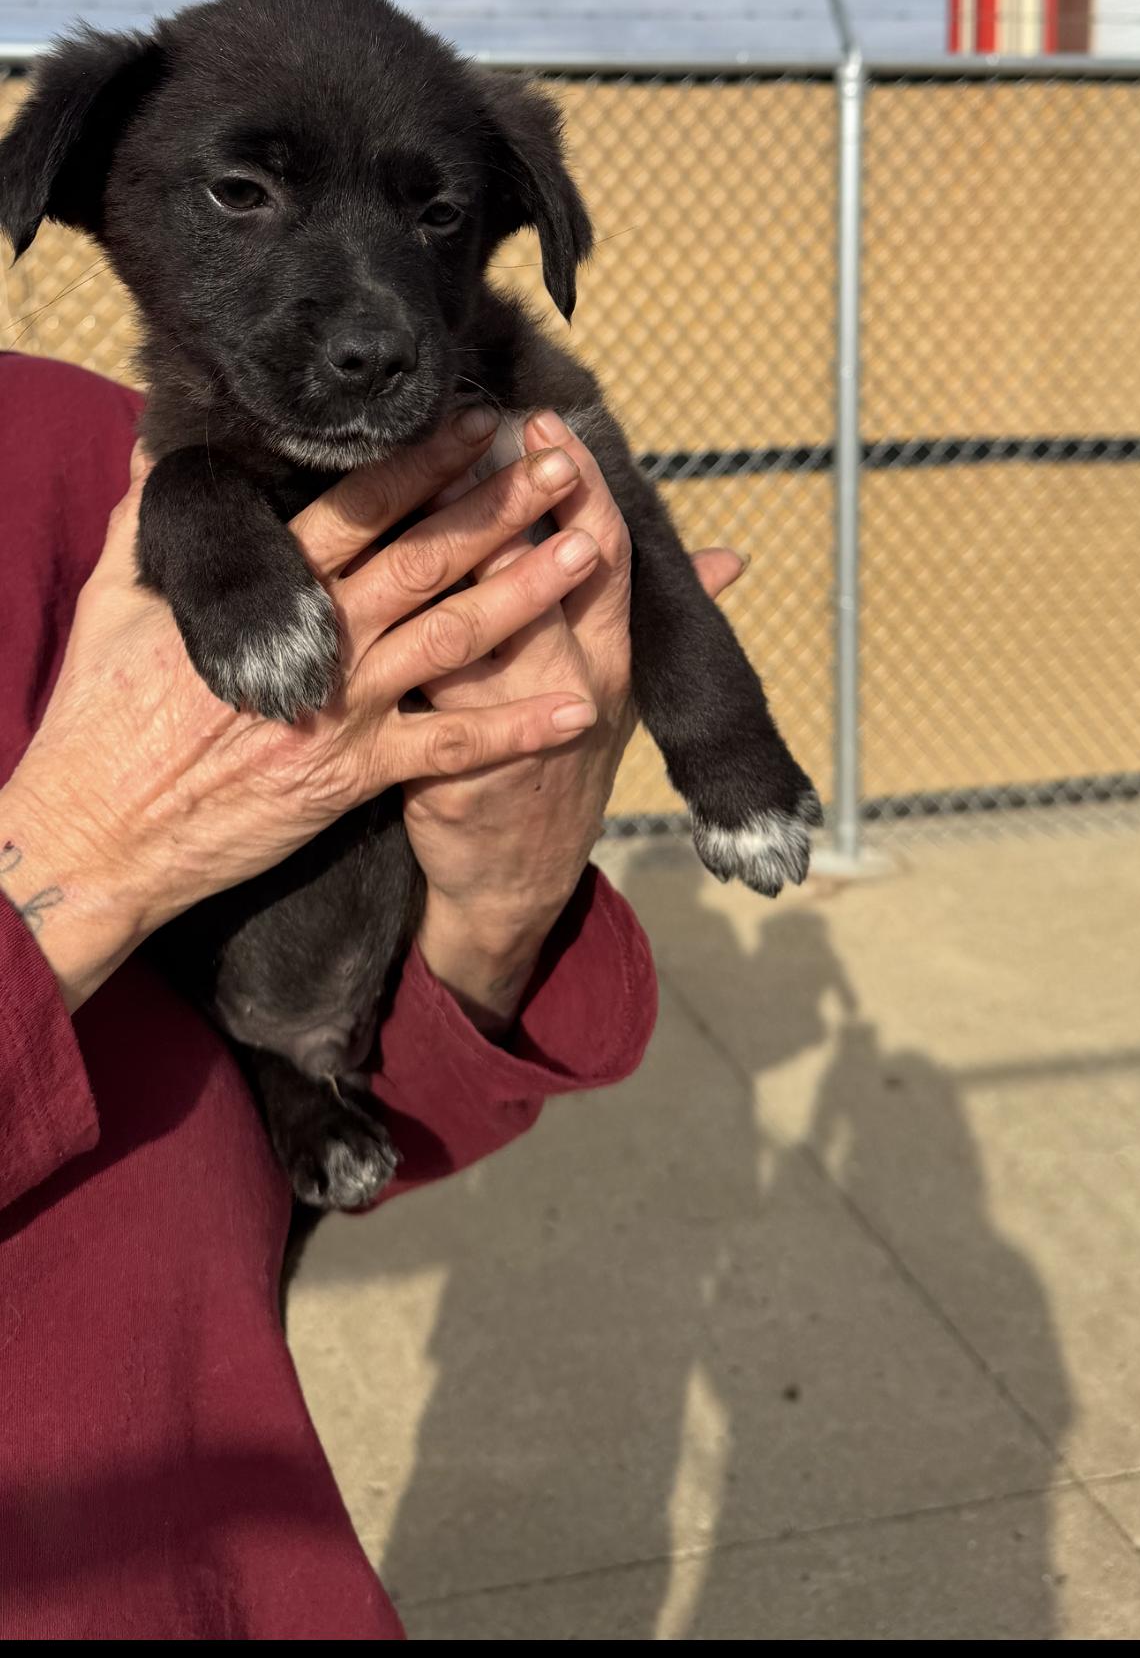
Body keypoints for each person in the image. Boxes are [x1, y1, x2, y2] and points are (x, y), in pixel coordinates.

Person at [0, 349, 741, 1640]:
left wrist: (506, 887)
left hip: (235, 1576)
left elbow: (387, 1102)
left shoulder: (83, 451)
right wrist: (81, 857)